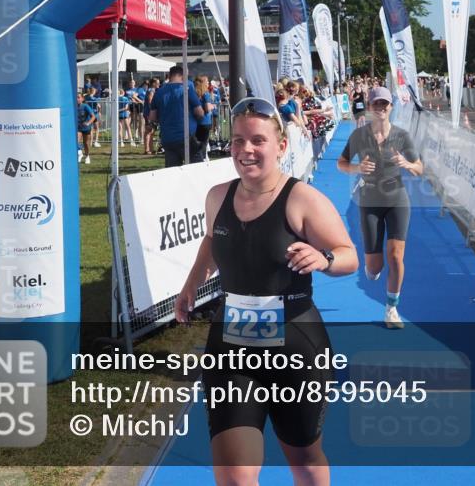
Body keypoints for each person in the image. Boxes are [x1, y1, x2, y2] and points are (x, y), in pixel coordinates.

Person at [173, 97, 357, 485]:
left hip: (296, 346)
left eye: (257, 140)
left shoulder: (303, 199)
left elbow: (348, 256)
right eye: (238, 141)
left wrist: (323, 258)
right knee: (234, 475)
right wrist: (191, 284)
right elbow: (211, 241)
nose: (246, 150)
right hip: (229, 345)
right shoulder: (218, 196)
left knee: (304, 460)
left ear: (281, 146)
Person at [337, 86, 423, 329]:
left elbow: (420, 168)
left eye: (385, 104)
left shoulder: (402, 136)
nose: (381, 108)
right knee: (375, 267)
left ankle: (391, 309)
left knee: (396, 256)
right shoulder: (359, 136)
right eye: (376, 104)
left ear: (391, 107)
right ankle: (371, 266)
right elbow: (341, 163)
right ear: (370, 106)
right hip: (370, 202)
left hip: (397, 200)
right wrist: (356, 169)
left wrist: (407, 164)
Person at [149, 65, 204, 167]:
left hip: (167, 137)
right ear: (182, 76)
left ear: (170, 75)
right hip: (186, 136)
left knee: (172, 172)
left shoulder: (159, 92)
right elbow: (200, 112)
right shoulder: (186, 90)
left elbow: (152, 117)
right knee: (198, 169)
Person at [193, 75, 215, 162]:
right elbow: (207, 108)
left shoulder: (194, 93)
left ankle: (199, 159)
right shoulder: (205, 94)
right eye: (207, 81)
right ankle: (202, 159)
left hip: (196, 121)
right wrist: (213, 106)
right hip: (205, 121)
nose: (208, 83)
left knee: (197, 142)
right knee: (203, 143)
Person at [77, 92, 97, 165]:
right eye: (76, 97)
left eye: (79, 97)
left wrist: (88, 123)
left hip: (86, 128)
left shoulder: (85, 106)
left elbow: (93, 116)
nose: (77, 99)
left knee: (86, 143)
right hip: (78, 127)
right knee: (75, 141)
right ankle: (80, 153)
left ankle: (87, 156)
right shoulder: (74, 106)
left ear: (82, 99)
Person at [143, 77, 160, 155]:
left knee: (152, 132)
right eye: (157, 83)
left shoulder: (153, 90)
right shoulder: (151, 91)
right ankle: (147, 149)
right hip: (148, 113)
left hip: (150, 113)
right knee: (148, 131)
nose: (159, 84)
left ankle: (151, 148)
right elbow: (150, 102)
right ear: (153, 83)